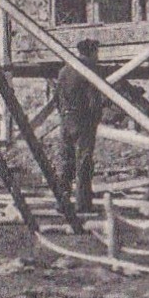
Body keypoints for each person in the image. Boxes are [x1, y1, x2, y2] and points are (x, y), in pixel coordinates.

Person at [57, 38, 105, 212]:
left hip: (67, 121)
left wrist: (64, 117)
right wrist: (95, 120)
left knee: (66, 162)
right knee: (84, 162)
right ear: (92, 52)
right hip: (84, 122)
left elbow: (58, 99)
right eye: (97, 52)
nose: (98, 56)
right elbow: (94, 100)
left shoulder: (64, 71)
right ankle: (83, 203)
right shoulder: (89, 70)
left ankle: (61, 201)